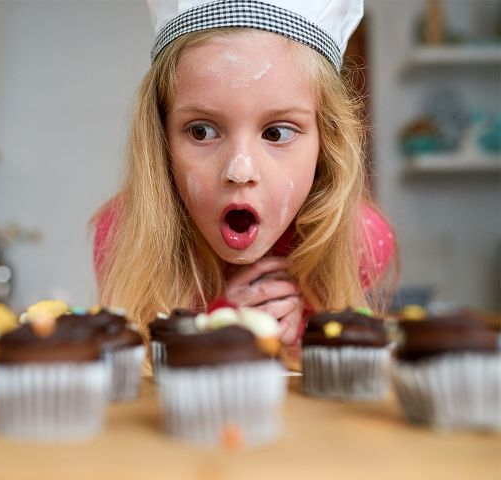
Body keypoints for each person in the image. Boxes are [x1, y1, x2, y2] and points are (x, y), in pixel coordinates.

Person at [92, 0, 396, 351]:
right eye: (202, 131)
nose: (240, 170)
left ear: (327, 141)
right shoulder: (122, 235)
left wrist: (301, 334)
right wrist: (220, 325)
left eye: (276, 133)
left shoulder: (360, 240)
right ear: (160, 140)